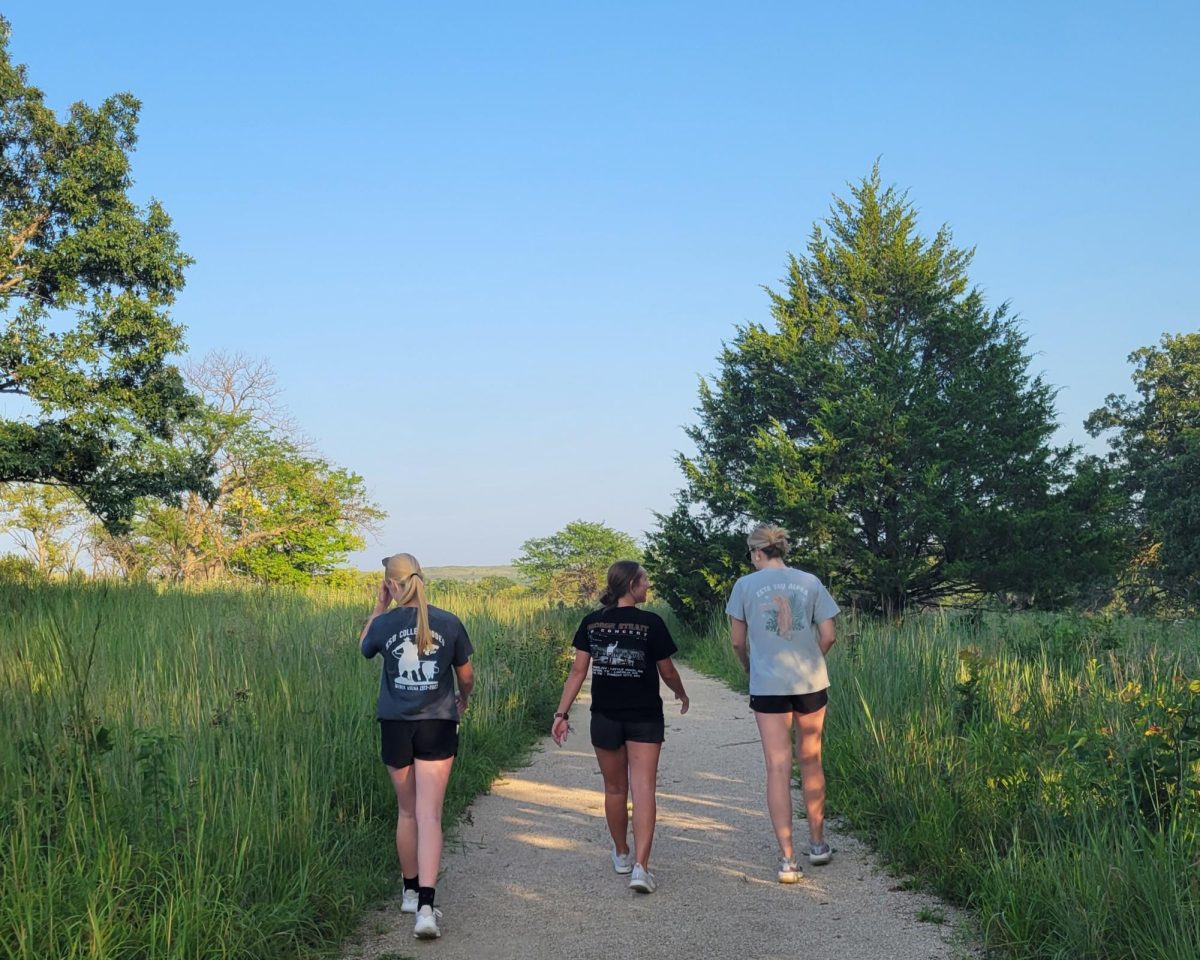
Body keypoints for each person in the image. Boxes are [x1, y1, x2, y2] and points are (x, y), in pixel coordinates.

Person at [551, 560, 689, 894]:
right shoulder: (651, 623)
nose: (648, 586)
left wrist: (561, 713)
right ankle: (641, 868)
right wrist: (680, 693)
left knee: (614, 789)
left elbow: (577, 672)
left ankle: (622, 853)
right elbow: (667, 671)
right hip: (644, 716)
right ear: (631, 585)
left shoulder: (592, 623)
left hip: (605, 716)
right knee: (643, 790)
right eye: (645, 581)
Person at [360, 553, 474, 940]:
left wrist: (379, 605)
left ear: (391, 584)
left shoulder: (386, 622)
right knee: (430, 815)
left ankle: (409, 891)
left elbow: (364, 646)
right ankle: (426, 907)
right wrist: (464, 698)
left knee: (407, 812)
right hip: (437, 725)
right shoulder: (449, 621)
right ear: (421, 578)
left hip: (395, 726)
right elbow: (466, 675)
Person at [726, 523, 839, 883]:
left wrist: (749, 669)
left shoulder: (744, 586)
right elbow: (829, 634)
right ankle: (818, 845)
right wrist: (812, 660)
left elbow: (737, 643)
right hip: (810, 682)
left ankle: (789, 860)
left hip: (768, 684)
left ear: (757, 552)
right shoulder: (809, 581)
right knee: (811, 759)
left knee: (778, 766)